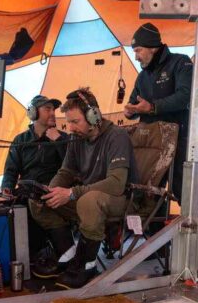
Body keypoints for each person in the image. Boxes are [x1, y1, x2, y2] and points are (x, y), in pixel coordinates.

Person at [30, 88, 138, 289]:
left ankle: (87, 266)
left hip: (120, 199)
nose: (70, 128)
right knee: (38, 199)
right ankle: (68, 257)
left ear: (93, 116)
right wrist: (51, 191)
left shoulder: (117, 136)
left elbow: (116, 183)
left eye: (75, 121)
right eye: (68, 122)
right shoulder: (76, 138)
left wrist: (71, 193)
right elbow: (66, 172)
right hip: (89, 199)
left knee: (89, 201)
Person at [124, 22, 193, 201]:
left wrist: (153, 107)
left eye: (138, 50)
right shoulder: (142, 76)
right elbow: (133, 101)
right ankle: (153, 228)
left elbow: (185, 96)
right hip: (151, 141)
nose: (136, 57)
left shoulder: (180, 62)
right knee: (150, 188)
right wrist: (130, 111)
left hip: (179, 137)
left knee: (181, 186)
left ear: (152, 48)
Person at [0, 94, 67, 258]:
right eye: (47, 109)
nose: (52, 113)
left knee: (36, 204)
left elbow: (72, 166)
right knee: (12, 208)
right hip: (27, 191)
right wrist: (7, 188)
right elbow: (11, 170)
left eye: (54, 109)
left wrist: (58, 141)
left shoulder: (63, 138)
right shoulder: (20, 140)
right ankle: (25, 256)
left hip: (53, 190)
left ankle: (50, 254)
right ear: (33, 113)